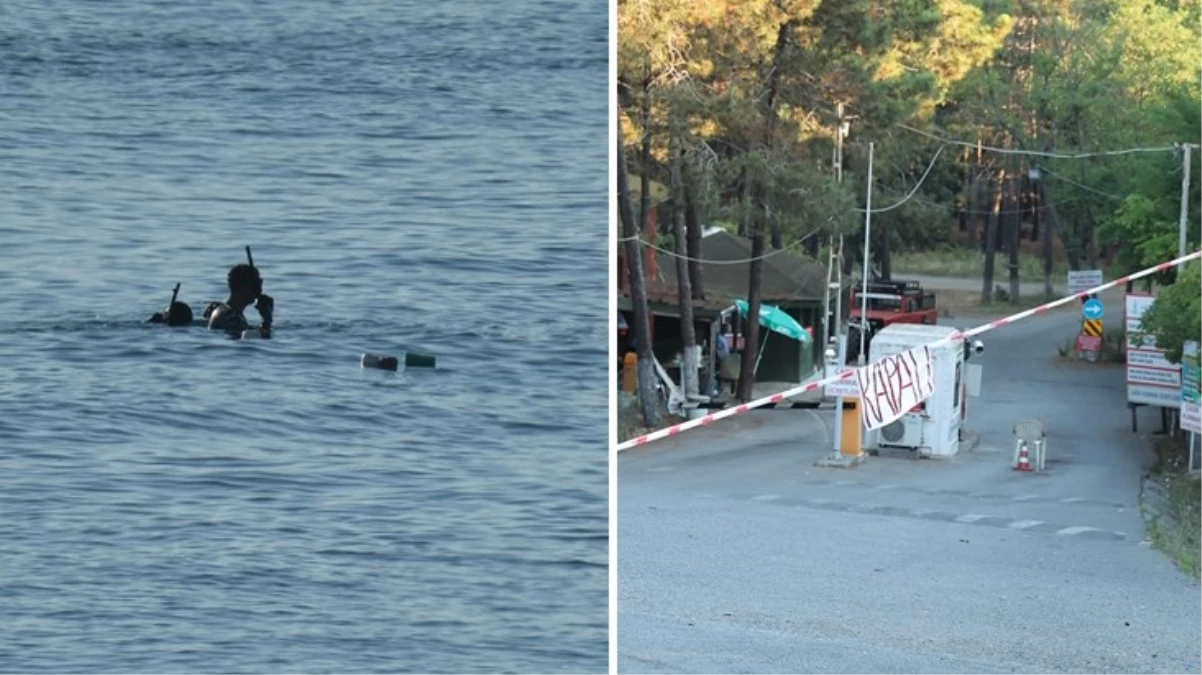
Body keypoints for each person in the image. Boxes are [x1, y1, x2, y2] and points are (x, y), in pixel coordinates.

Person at [205, 263, 273, 338]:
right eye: (256, 284)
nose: (260, 290)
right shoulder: (228, 315)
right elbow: (243, 336)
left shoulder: (234, 314)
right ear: (244, 286)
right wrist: (267, 321)